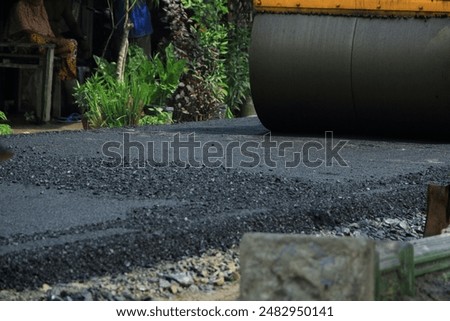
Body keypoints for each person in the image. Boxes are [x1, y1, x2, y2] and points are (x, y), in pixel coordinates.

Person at [5, 0, 78, 81]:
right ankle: (48, 53)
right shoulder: (20, 5)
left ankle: (67, 78)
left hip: (46, 44)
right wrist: (52, 40)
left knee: (71, 43)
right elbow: (27, 32)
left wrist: (58, 40)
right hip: (23, 45)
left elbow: (48, 31)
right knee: (34, 37)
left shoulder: (41, 7)